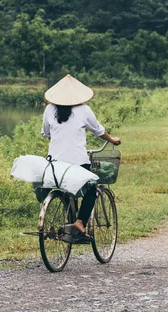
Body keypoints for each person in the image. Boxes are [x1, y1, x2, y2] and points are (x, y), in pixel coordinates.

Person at [41, 74, 121, 241]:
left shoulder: (49, 109)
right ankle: (79, 223)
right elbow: (99, 131)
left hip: (54, 163)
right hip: (78, 162)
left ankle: (61, 222)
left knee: (65, 188)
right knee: (91, 189)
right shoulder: (84, 110)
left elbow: (46, 133)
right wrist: (112, 140)